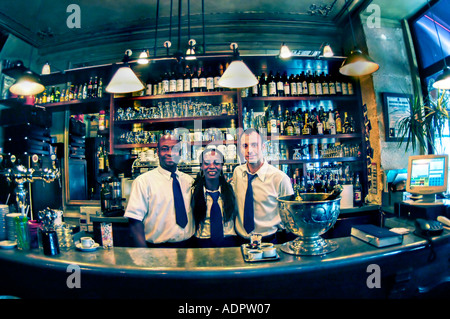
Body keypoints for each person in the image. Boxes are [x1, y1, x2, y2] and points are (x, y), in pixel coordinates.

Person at [124, 134, 195, 248]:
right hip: (158, 249)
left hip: (188, 247)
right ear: (157, 152)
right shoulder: (143, 182)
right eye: (165, 149)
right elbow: (134, 221)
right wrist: (144, 253)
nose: (170, 153)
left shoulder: (189, 181)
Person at [232, 128, 294, 244]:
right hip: (239, 241)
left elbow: (290, 216)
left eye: (254, 145)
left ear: (263, 147)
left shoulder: (279, 178)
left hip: (269, 242)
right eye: (245, 146)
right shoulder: (237, 173)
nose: (249, 150)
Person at [191, 147, 238, 248]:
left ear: (222, 166)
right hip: (202, 243)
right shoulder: (193, 193)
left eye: (216, 163)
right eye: (207, 163)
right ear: (201, 167)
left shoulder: (232, 190)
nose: (212, 166)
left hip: (229, 243)